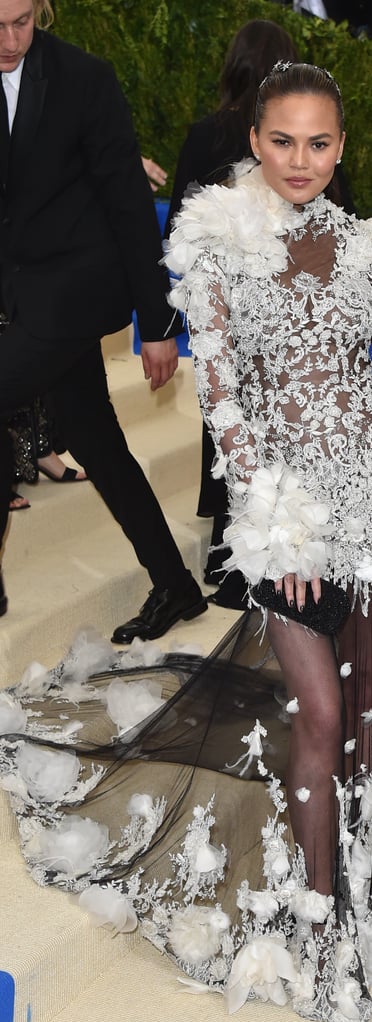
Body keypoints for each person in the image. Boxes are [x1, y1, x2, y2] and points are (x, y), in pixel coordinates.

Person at [167, 60, 372, 918]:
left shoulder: (371, 246)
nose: (300, 158)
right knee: (320, 711)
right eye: (283, 140)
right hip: (282, 515)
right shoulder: (214, 240)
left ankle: (366, 870)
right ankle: (322, 909)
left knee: (368, 709)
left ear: (341, 146)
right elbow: (220, 397)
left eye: (318, 142)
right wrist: (279, 527)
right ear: (254, 139)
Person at [0, 0, 206, 641]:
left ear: (42, 12)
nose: (10, 39)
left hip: (70, 297)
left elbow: (125, 203)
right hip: (15, 297)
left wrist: (158, 324)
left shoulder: (84, 78)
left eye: (22, 22)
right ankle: (175, 585)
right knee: (98, 444)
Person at [163, 20, 300, 602]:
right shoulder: (296, 134)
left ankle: (226, 548)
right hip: (278, 305)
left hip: (220, 307)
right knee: (273, 423)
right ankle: (267, 545)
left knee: (224, 417)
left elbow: (177, 227)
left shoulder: (204, 133)